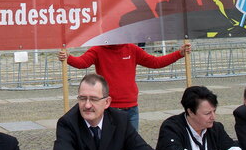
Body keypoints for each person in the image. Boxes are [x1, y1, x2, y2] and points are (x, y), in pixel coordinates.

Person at [52, 73, 163, 150]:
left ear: (107, 102)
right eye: (82, 98)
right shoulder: (67, 123)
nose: (87, 105)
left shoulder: (120, 120)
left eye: (94, 99)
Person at [58, 43, 190, 130]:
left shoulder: (132, 48)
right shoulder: (98, 50)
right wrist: (68, 57)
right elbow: (82, 63)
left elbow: (155, 62)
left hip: (131, 107)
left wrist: (179, 53)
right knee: (113, 146)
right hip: (109, 108)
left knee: (130, 147)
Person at [156, 86, 245, 150]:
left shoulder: (215, 128)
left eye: (214, 111)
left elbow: (235, 148)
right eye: (207, 113)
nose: (213, 117)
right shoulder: (171, 127)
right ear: (190, 112)